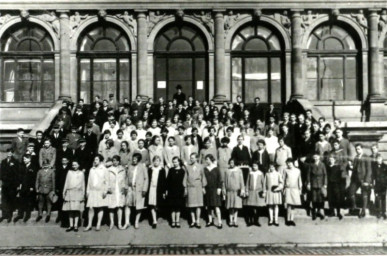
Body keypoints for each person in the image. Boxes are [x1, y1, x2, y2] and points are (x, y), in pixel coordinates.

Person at [84, 155, 108, 231]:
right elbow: (89, 181)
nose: (95, 160)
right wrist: (87, 191)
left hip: (100, 191)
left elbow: (107, 181)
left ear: (100, 161)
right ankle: (89, 224)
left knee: (100, 207)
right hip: (92, 191)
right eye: (94, 159)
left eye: (97, 159)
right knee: (91, 208)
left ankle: (98, 224)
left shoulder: (104, 169)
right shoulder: (92, 169)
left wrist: (105, 191)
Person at [347, 144, 372, 218]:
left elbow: (369, 170)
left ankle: (363, 210)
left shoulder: (366, 157)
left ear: (362, 149)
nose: (357, 151)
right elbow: (355, 169)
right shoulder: (356, 157)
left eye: (359, 149)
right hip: (355, 179)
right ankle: (354, 208)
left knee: (364, 194)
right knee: (351, 192)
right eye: (356, 149)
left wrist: (367, 181)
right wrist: (351, 167)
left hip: (363, 179)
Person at [125, 153, 149, 229]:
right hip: (130, 189)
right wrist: (126, 187)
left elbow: (146, 178)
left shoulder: (142, 167)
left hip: (139, 189)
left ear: (139, 160)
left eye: (135, 159)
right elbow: (126, 177)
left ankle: (136, 222)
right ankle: (127, 222)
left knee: (138, 207)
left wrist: (144, 189)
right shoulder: (130, 166)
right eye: (133, 158)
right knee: (127, 205)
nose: (133, 160)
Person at [184, 152, 207, 228]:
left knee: (198, 205)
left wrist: (203, 187)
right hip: (190, 187)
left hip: (198, 187)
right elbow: (185, 178)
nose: (191, 159)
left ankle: (198, 221)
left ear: (197, 158)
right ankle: (193, 221)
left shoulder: (201, 167)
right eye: (190, 158)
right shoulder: (187, 167)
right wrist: (185, 188)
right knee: (191, 206)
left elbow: (203, 177)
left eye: (193, 158)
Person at [62, 159, 85, 232]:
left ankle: (76, 225)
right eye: (73, 165)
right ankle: (71, 225)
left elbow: (83, 184)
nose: (74, 166)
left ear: (78, 165)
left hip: (78, 192)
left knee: (76, 210)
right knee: (70, 210)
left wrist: (83, 193)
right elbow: (66, 182)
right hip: (70, 192)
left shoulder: (81, 173)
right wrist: (64, 192)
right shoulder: (69, 172)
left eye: (75, 165)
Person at [14, 154, 37, 223]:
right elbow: (20, 178)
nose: (24, 160)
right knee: (21, 201)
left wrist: (32, 187)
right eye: (23, 159)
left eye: (25, 159)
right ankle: (20, 214)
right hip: (23, 187)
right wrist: (19, 186)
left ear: (29, 159)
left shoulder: (33, 167)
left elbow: (34, 178)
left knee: (28, 202)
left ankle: (27, 215)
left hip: (29, 187)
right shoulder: (22, 167)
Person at [106, 155, 127, 230]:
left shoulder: (122, 169)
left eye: (116, 160)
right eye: (113, 160)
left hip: (120, 189)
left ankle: (119, 223)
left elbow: (125, 179)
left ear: (119, 161)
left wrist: (124, 187)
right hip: (112, 189)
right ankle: (111, 223)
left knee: (119, 206)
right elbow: (106, 179)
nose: (115, 162)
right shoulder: (109, 169)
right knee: (111, 207)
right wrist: (108, 187)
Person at [0, 149, 20, 223]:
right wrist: (3, 179)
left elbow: (17, 173)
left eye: (11, 152)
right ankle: (4, 215)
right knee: (4, 200)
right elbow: (1, 172)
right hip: (5, 184)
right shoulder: (3, 161)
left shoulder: (15, 162)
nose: (9, 154)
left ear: (12, 153)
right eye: (8, 152)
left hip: (12, 185)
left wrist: (12, 166)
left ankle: (9, 216)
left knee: (10, 200)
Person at [203, 154, 223, 229]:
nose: (206, 161)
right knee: (208, 206)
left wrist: (219, 188)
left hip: (215, 189)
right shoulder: (205, 169)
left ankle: (219, 222)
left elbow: (219, 179)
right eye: (206, 159)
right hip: (207, 189)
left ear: (211, 159)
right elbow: (203, 179)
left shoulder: (216, 168)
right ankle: (210, 221)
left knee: (216, 206)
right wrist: (203, 188)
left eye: (207, 159)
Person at [224, 158, 245, 227]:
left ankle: (235, 220)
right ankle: (230, 220)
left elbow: (241, 181)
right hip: (229, 191)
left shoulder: (239, 170)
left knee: (236, 207)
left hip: (237, 191)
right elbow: (224, 182)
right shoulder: (226, 171)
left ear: (235, 163)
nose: (231, 164)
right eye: (230, 162)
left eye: (232, 162)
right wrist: (224, 190)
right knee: (230, 207)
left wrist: (242, 189)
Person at [166, 157, 186, 228]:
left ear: (179, 162)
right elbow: (168, 181)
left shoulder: (182, 171)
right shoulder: (171, 170)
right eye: (173, 162)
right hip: (172, 191)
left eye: (176, 162)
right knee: (172, 207)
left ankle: (177, 221)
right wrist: (167, 190)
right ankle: (173, 221)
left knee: (178, 207)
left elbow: (184, 182)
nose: (174, 163)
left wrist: (184, 190)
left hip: (179, 191)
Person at [147, 156, 167, 229]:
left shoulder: (162, 170)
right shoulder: (150, 169)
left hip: (159, 190)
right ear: (153, 162)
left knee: (157, 204)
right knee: (152, 204)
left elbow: (164, 181)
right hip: (151, 188)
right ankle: (154, 221)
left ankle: (157, 216)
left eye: (158, 161)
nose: (156, 162)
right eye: (155, 161)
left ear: (160, 162)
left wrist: (164, 191)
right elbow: (148, 179)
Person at [244, 162, 265, 227]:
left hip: (258, 192)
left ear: (258, 166)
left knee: (258, 207)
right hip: (251, 191)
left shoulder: (261, 173)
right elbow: (247, 182)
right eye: (253, 166)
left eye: (255, 166)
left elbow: (263, 183)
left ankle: (256, 221)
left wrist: (264, 191)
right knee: (250, 207)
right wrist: (246, 190)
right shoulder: (250, 173)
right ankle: (250, 221)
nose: (254, 167)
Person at [307, 153, 327, 220]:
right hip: (313, 183)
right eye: (314, 157)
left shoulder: (322, 164)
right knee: (314, 199)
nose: (315, 158)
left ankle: (319, 211)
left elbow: (325, 175)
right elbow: (308, 174)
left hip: (321, 184)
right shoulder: (311, 164)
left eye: (316, 157)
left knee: (320, 199)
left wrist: (325, 184)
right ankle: (314, 212)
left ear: (319, 157)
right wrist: (309, 183)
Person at [283, 158, 302, 226]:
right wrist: (283, 189)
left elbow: (299, 180)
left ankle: (292, 219)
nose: (289, 164)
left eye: (290, 163)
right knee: (288, 205)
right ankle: (288, 220)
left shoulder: (298, 171)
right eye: (287, 163)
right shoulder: (285, 170)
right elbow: (283, 179)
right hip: (288, 189)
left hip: (295, 189)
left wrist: (300, 189)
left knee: (293, 205)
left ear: (293, 163)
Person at [326, 154, 344, 220]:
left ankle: (338, 212)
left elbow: (340, 177)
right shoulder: (327, 167)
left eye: (332, 159)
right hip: (329, 185)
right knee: (330, 198)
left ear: (335, 160)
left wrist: (339, 185)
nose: (331, 160)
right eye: (330, 159)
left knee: (337, 198)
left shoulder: (337, 167)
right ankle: (332, 212)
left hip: (336, 185)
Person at [55, 156, 71, 225]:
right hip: (60, 187)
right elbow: (56, 178)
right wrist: (57, 188)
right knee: (60, 202)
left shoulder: (70, 169)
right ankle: (59, 216)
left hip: (67, 188)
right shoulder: (59, 168)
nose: (64, 161)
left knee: (66, 202)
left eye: (65, 160)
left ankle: (66, 216)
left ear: (68, 161)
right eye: (62, 160)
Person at [373, 154, 387, 219]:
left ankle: (384, 213)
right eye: (377, 159)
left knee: (383, 198)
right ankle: (378, 212)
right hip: (377, 185)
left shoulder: (385, 166)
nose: (378, 160)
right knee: (378, 199)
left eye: (379, 158)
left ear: (382, 159)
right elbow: (373, 176)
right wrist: (373, 183)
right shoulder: (374, 167)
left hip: (384, 185)